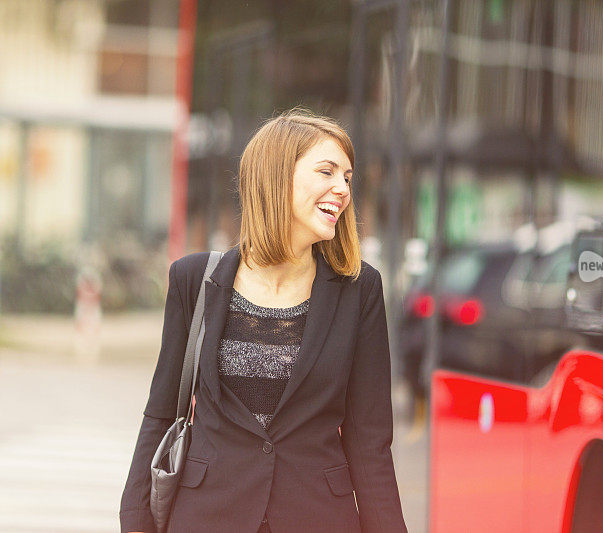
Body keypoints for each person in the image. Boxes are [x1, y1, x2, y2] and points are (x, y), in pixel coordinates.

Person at [120, 108, 408, 533]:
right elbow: (161, 414)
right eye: (326, 172)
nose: (342, 189)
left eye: (347, 177)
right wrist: (135, 521)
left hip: (317, 518)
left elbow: (369, 442)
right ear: (275, 177)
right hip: (207, 516)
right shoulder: (192, 280)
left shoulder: (359, 289)